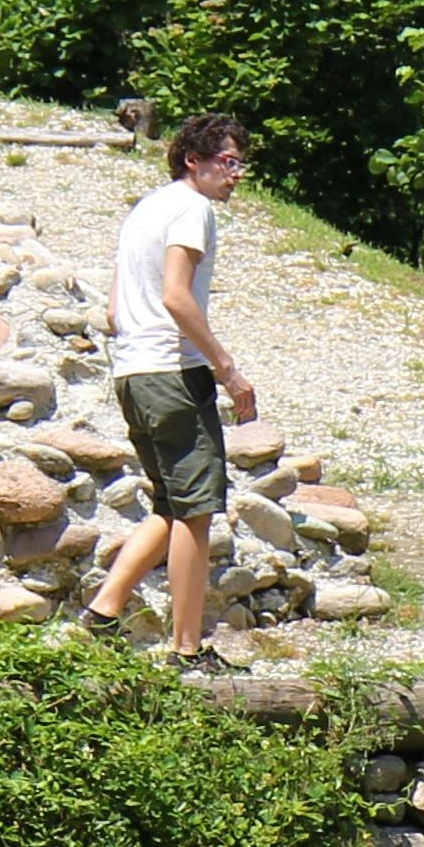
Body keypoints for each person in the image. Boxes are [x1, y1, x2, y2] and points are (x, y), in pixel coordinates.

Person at [83, 112, 259, 661]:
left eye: (241, 164)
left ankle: (104, 611)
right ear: (194, 161)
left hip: (132, 373)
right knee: (198, 509)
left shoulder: (145, 210)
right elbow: (176, 297)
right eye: (228, 162)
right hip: (173, 374)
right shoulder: (191, 208)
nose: (237, 175)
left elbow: (115, 311)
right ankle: (187, 649)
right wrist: (227, 369)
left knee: (171, 502)